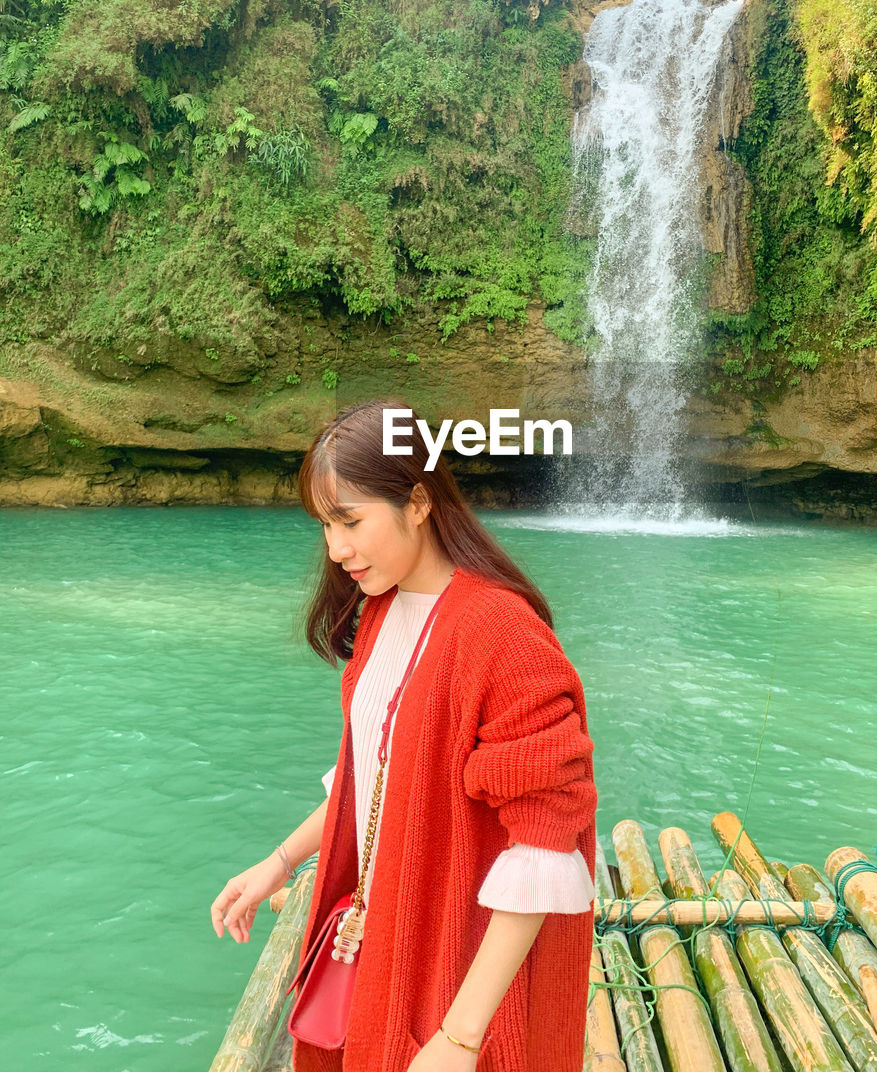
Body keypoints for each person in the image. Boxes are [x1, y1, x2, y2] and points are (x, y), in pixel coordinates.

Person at [210, 398, 598, 1072]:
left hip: (456, 956)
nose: (337, 548)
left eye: (351, 520)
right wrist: (277, 863)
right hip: (385, 936)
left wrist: (461, 1036)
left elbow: (544, 843)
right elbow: (378, 781)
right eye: (326, 525)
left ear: (418, 502)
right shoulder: (382, 611)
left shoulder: (504, 634)